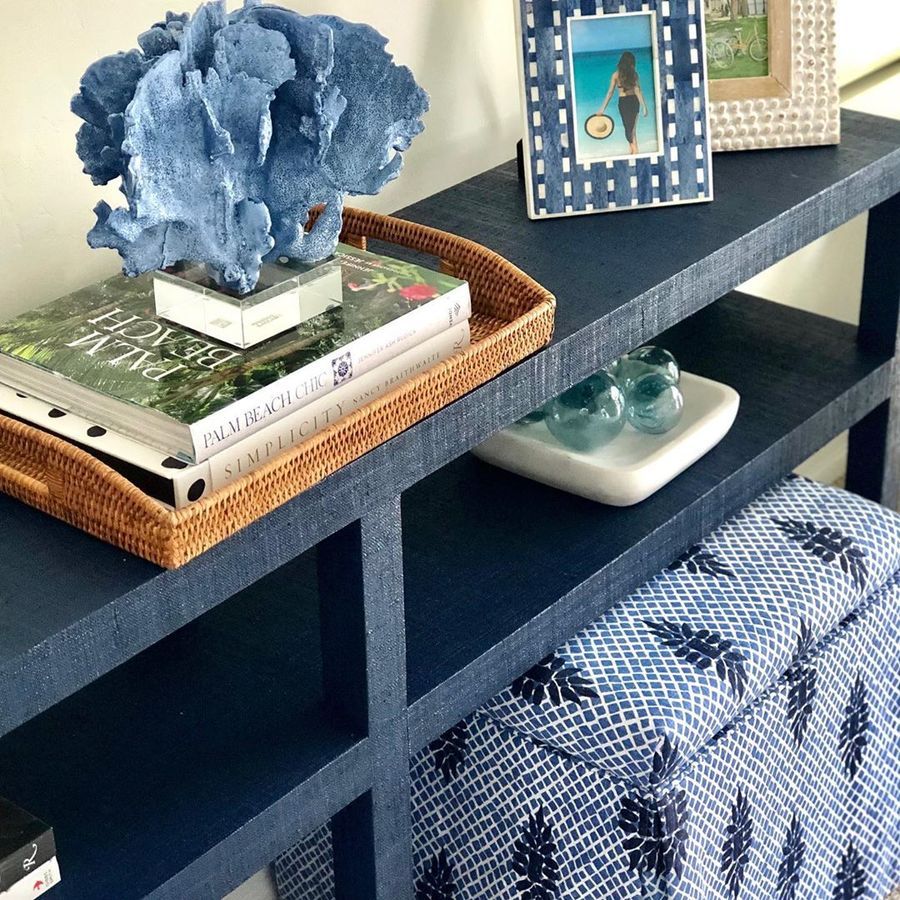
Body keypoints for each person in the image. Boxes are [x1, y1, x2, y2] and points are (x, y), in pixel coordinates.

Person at [596, 51, 649, 155]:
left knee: (630, 130)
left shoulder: (616, 75)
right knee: (630, 129)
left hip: (624, 103)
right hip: (633, 102)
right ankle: (633, 152)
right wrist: (643, 106)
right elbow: (638, 90)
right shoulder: (632, 74)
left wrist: (602, 109)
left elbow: (610, 93)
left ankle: (636, 152)